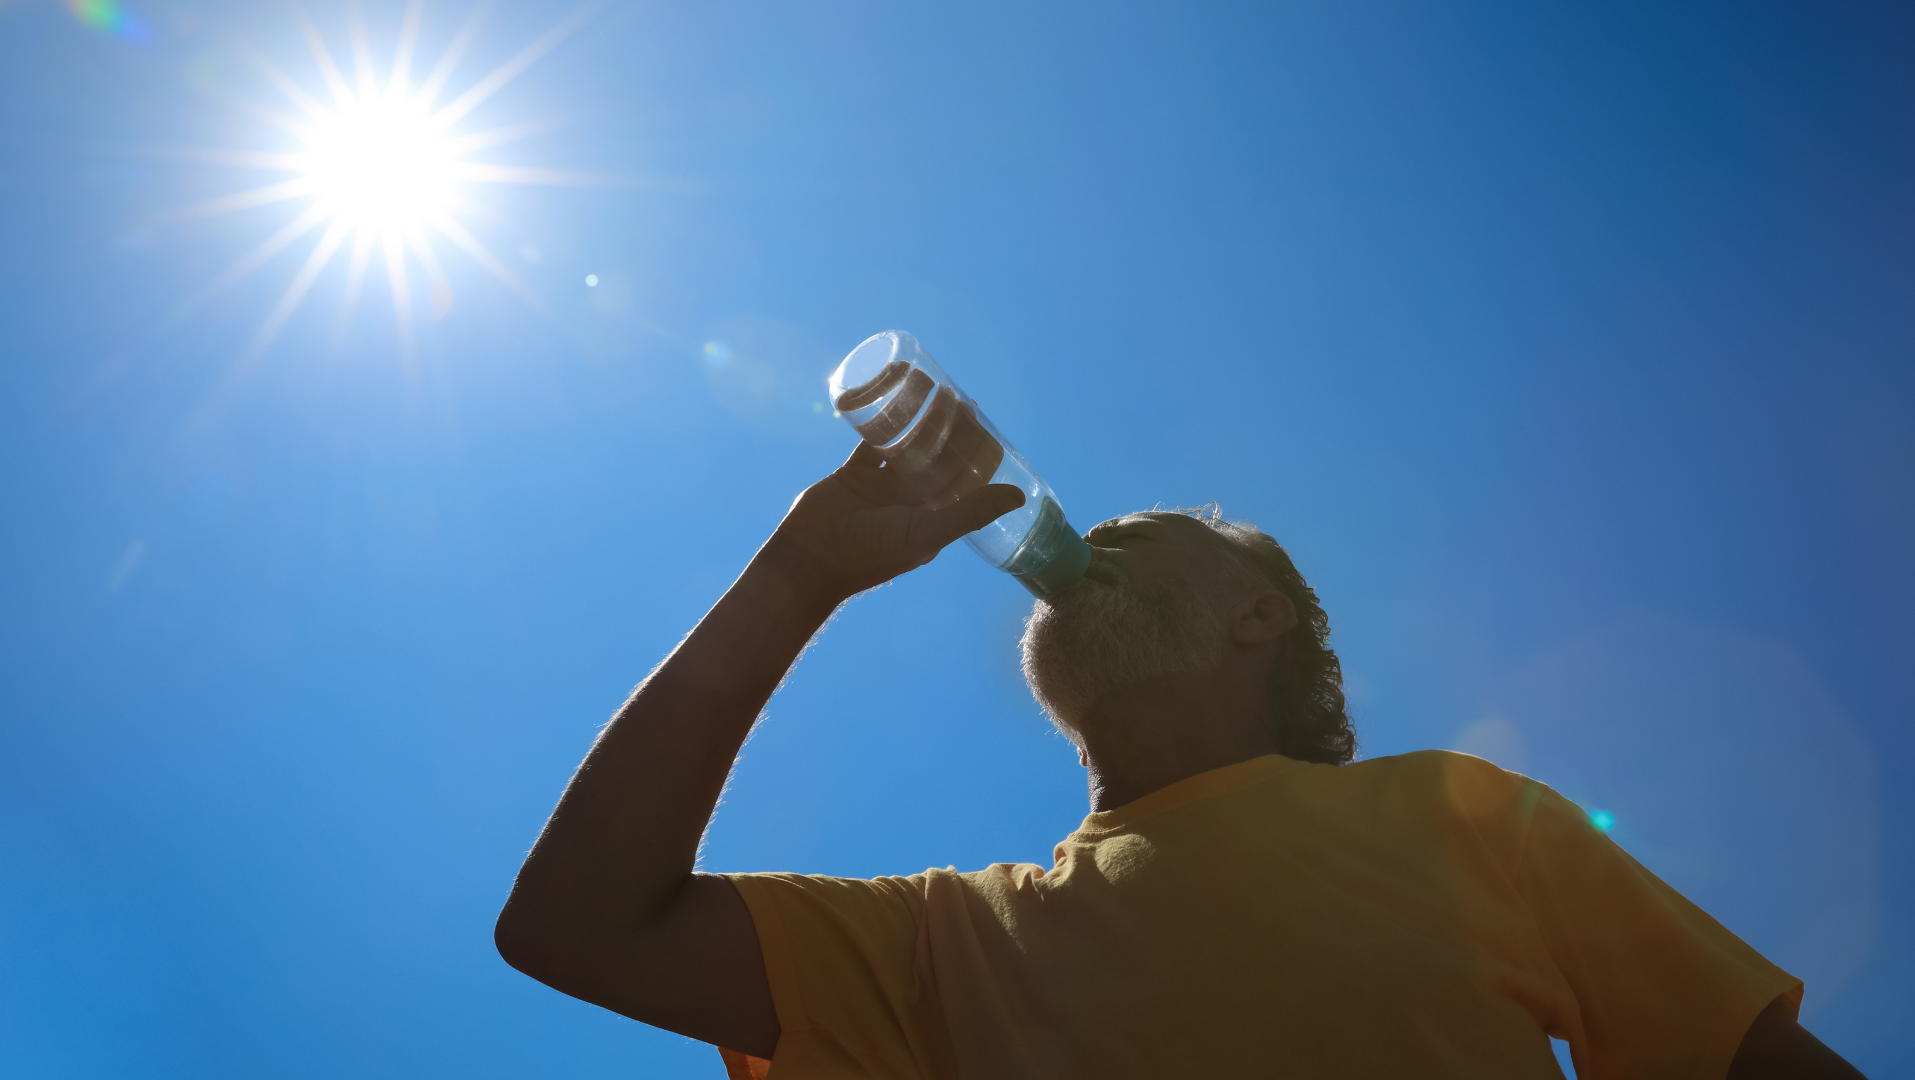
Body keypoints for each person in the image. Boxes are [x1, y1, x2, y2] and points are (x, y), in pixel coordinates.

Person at [494, 444, 1866, 1079]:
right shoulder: (945, 941)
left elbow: (1754, 1064)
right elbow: (575, 928)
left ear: (1258, 618)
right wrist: (797, 572)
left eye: (1150, 542)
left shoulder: (1458, 818)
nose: (1093, 543)